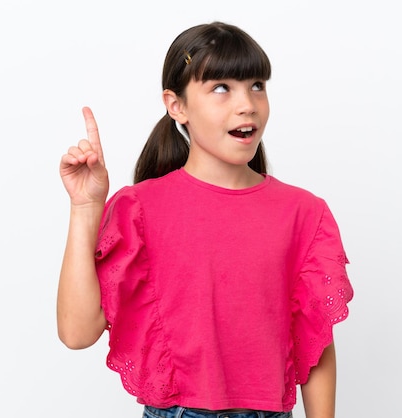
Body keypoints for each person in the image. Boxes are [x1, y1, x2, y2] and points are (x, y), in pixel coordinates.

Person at [58, 21, 353, 418]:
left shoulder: (304, 213)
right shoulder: (140, 209)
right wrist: (85, 208)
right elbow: (77, 333)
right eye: (221, 88)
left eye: (257, 85)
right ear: (176, 105)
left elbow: (314, 342)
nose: (246, 103)